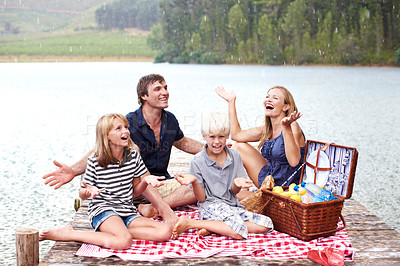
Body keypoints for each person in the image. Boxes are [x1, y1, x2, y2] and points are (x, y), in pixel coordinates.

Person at [42, 74, 204, 226]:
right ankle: (160, 207)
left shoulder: (170, 120)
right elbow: (102, 149)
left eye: (165, 88)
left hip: (160, 183)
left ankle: (152, 209)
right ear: (143, 96)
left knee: (199, 187)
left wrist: (212, 148)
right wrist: (73, 170)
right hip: (133, 187)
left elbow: (182, 142)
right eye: (158, 89)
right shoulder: (130, 123)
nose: (165, 92)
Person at [39, 114, 172, 249]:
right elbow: (82, 193)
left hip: (127, 210)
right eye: (118, 128)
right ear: (106, 135)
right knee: (124, 242)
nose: (125, 131)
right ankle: (69, 234)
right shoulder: (95, 160)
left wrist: (145, 182)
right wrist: (89, 191)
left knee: (165, 231)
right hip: (104, 209)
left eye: (126, 127)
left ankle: (116, 233)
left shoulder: (134, 157)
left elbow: (137, 192)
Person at [172, 112, 273, 240]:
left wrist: (236, 185)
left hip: (232, 206)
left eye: (221, 136)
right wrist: (194, 182)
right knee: (238, 232)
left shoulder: (235, 155)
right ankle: (191, 223)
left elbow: (233, 192)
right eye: (212, 137)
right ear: (204, 136)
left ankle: (214, 227)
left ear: (227, 135)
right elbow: (201, 198)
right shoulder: (197, 161)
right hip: (210, 207)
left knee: (266, 225)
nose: (217, 142)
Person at [215, 85, 306, 188]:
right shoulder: (267, 129)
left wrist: (286, 127)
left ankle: (224, 186)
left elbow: (294, 162)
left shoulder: (292, 126)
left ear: (285, 107)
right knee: (238, 146)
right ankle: (221, 181)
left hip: (287, 186)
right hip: (269, 179)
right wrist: (231, 102)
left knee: (229, 194)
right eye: (267, 96)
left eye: (275, 98)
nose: (269, 100)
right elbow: (236, 135)